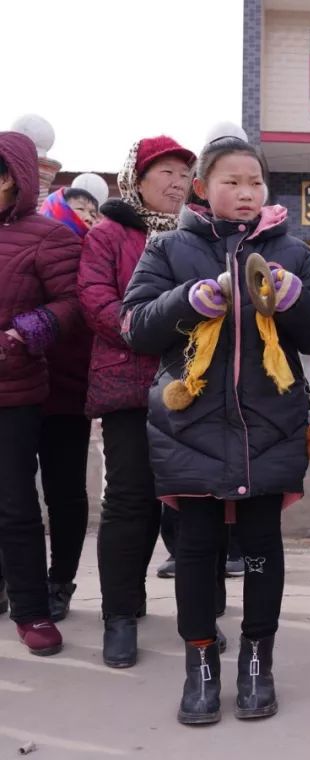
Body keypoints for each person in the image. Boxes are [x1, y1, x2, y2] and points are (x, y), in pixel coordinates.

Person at [121, 136, 310, 724]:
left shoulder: (293, 252)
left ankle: (256, 663)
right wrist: (186, 301)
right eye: (230, 182)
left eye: (255, 183)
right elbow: (136, 327)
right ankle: (200, 664)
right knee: (195, 550)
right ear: (202, 187)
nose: (245, 193)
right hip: (188, 424)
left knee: (263, 548)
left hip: (269, 424)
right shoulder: (168, 247)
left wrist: (293, 300)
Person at [79, 135, 198, 668]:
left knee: (194, 500)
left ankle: (200, 614)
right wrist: (144, 331)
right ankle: (119, 616)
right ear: (137, 177)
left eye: (184, 174)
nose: (177, 183)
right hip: (128, 384)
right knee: (130, 500)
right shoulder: (108, 234)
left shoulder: (199, 230)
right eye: (166, 172)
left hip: (191, 385)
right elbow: (95, 298)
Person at [0, 131, 83, 655]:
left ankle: (30, 609)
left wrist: (25, 332)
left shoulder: (49, 237)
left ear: (15, 179)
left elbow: (73, 303)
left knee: (14, 503)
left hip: (15, 387)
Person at [37, 187, 99, 621]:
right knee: (13, 494)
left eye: (93, 211)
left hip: (68, 393)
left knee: (65, 494)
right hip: (16, 389)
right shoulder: (24, 243)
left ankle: (60, 580)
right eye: (80, 208)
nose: (88, 217)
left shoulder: (92, 256)